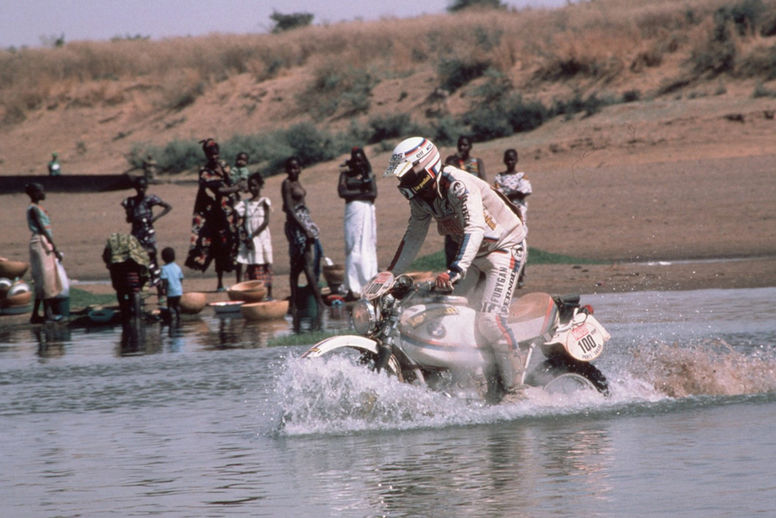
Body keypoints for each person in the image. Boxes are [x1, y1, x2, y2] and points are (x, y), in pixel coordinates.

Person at [384, 137, 527, 402]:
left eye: (405, 173)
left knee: (490, 320)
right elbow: (413, 236)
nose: (402, 182)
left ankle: (516, 391)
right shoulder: (421, 199)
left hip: (504, 250)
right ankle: (476, 378)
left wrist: (455, 270)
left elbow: (475, 229)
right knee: (447, 312)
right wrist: (388, 275)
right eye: (399, 176)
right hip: (474, 258)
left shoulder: (457, 185)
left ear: (423, 167)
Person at [185, 138, 245, 292]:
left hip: (230, 211)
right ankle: (220, 282)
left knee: (236, 241)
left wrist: (237, 187)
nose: (214, 157)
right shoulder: (205, 172)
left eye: (216, 154)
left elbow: (231, 182)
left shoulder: (224, 165)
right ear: (206, 155)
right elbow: (219, 190)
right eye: (211, 154)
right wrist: (236, 188)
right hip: (215, 215)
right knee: (218, 245)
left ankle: (239, 280)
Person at [282, 156, 324, 329]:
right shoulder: (287, 184)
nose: (293, 171)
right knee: (301, 264)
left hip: (303, 223)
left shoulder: (297, 183)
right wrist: (304, 229)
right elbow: (290, 209)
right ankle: (317, 303)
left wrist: (308, 225)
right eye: (290, 168)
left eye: (296, 168)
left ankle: (298, 304)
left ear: (300, 169)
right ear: (287, 170)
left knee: (302, 264)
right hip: (295, 226)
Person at [337, 146, 378, 300]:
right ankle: (353, 286)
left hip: (366, 212)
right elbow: (342, 192)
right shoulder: (345, 175)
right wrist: (363, 194)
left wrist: (353, 194)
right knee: (352, 245)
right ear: (351, 161)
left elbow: (373, 193)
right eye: (355, 160)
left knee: (366, 244)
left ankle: (368, 281)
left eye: (361, 160)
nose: (358, 163)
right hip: (352, 213)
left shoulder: (368, 175)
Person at [121, 176, 172, 293]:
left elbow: (168, 207)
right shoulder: (130, 201)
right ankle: (141, 286)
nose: (141, 190)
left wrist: (155, 218)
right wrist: (131, 215)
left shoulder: (150, 199)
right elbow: (128, 219)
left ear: (146, 187)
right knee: (137, 258)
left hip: (148, 231)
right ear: (135, 188)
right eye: (139, 187)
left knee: (152, 256)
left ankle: (159, 286)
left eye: (143, 187)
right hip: (136, 233)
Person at [443, 135, 487, 267]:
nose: (462, 147)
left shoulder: (477, 162)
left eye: (465, 145)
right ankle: (452, 270)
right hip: (454, 207)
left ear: (471, 146)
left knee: (472, 236)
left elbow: (483, 183)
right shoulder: (453, 162)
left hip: (473, 206)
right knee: (452, 240)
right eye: (460, 145)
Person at [493, 148, 532, 287]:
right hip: (504, 215)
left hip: (519, 215)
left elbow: (523, 192)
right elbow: (498, 194)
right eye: (508, 159)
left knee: (521, 243)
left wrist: (508, 194)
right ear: (504, 160)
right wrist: (514, 193)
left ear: (516, 160)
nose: (510, 162)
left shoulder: (522, 176)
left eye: (512, 159)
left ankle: (521, 276)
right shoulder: (499, 177)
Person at [25, 182, 63, 323]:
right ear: (34, 193)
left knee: (43, 278)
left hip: (42, 241)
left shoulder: (38, 208)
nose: (43, 193)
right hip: (40, 242)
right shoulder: (34, 209)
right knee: (46, 277)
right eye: (41, 191)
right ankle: (48, 315)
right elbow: (43, 229)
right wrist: (55, 248)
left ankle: (36, 315)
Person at [234, 173, 273, 297]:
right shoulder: (245, 203)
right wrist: (247, 236)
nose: (253, 188)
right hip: (249, 238)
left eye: (255, 186)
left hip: (261, 237)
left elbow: (266, 222)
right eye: (250, 186)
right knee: (248, 261)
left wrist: (253, 235)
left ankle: (269, 293)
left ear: (261, 186)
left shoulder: (264, 201)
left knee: (265, 262)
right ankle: (243, 289)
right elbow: (242, 221)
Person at [102, 232, 150, 323]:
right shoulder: (135, 258)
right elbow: (144, 262)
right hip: (133, 284)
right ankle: (133, 315)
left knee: (121, 295)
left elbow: (107, 259)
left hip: (121, 284)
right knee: (132, 296)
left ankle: (125, 314)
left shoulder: (115, 263)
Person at [160, 246, 184, 325]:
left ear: (163, 258)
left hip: (170, 290)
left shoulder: (164, 268)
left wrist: (164, 289)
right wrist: (179, 287)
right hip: (178, 290)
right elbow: (181, 278)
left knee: (169, 305)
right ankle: (178, 317)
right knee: (176, 305)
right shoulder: (177, 267)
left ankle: (171, 319)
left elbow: (165, 281)